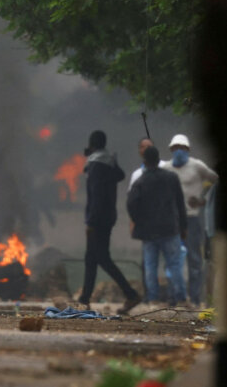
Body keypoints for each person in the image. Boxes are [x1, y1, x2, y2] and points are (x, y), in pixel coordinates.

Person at [78, 130, 141, 314]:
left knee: (101, 258)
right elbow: (120, 175)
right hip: (108, 217)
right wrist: (113, 160)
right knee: (91, 258)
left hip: (97, 219)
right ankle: (84, 300)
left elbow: (96, 196)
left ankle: (131, 294)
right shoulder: (108, 162)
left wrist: (90, 222)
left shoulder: (96, 165)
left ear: (92, 145)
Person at [162, 134, 218, 307]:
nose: (179, 151)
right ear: (171, 150)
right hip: (173, 220)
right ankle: (174, 296)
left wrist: (203, 200)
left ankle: (194, 298)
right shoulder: (166, 168)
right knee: (172, 259)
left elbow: (215, 179)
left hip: (192, 218)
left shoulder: (197, 166)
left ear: (188, 150)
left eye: (183, 148)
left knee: (194, 260)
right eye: (176, 148)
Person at [127, 145, 188, 305]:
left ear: (145, 161)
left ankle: (153, 298)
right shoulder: (171, 178)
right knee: (174, 264)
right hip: (170, 228)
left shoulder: (140, 181)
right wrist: (183, 226)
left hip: (148, 231)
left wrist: (138, 220)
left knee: (150, 266)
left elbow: (131, 204)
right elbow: (180, 203)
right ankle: (179, 297)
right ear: (158, 158)